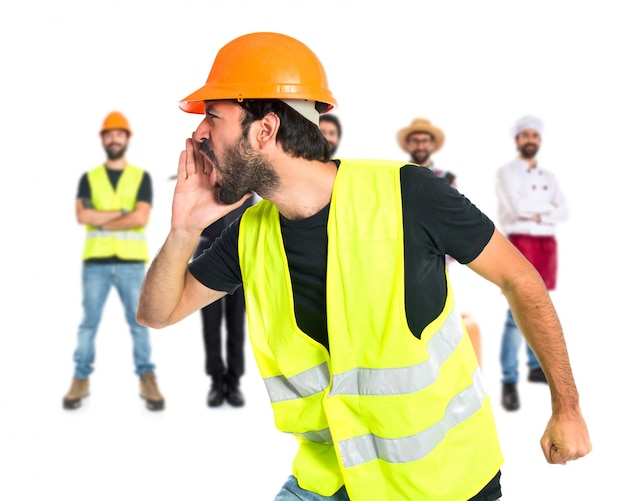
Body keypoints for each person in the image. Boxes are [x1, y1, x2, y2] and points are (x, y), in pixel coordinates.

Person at [136, 32, 591, 500]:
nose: (199, 134)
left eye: (213, 116)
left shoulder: (408, 193)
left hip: (442, 483)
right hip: (333, 478)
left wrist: (567, 408)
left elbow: (519, 278)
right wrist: (184, 230)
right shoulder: (249, 232)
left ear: (264, 130)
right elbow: (157, 312)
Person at [63, 111, 164, 412]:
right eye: (109, 134)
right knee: (88, 323)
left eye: (119, 134)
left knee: (139, 324)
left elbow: (141, 217)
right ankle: (80, 379)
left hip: (132, 264)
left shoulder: (140, 177)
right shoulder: (89, 178)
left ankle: (147, 377)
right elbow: (83, 216)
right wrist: (122, 213)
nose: (114, 138)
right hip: (95, 263)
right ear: (103, 139)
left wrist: (102, 219)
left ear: (126, 138)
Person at [496, 115, 569, 412]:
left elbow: (563, 211)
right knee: (516, 312)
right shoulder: (506, 172)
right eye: (525, 135)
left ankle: (534, 365)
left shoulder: (548, 177)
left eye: (535, 136)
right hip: (521, 242)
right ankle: (509, 378)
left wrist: (539, 214)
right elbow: (518, 208)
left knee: (540, 303)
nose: (530, 140)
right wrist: (545, 211)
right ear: (517, 140)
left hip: (546, 245)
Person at [397, 117, 482, 366]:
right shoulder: (397, 174)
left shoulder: (445, 178)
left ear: (431, 144)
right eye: (415, 140)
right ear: (409, 145)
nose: (420, 144)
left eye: (424, 140)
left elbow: (454, 217)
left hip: (437, 253)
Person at [193, 196, 254, 407]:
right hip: (207, 253)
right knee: (211, 324)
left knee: (236, 323)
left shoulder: (244, 182)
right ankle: (217, 381)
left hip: (239, 254)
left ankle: (234, 382)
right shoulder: (205, 185)